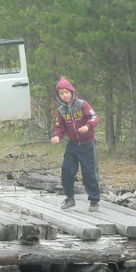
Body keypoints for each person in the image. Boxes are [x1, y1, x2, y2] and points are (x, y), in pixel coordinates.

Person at [50, 77, 101, 212]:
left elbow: (94, 117)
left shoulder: (82, 104)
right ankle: (70, 198)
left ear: (72, 92)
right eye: (61, 93)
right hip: (73, 145)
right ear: (59, 96)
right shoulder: (61, 110)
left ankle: (94, 200)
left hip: (87, 144)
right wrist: (57, 137)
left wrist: (87, 126)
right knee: (66, 169)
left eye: (66, 92)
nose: (64, 95)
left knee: (89, 172)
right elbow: (59, 127)